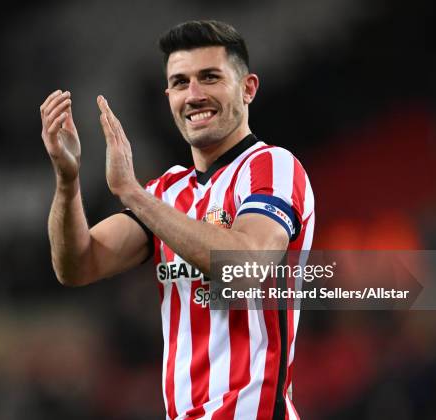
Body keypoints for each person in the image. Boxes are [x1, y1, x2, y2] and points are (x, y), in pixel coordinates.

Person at [39, 20, 314, 420]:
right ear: (168, 95)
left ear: (248, 88)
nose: (194, 95)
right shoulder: (167, 193)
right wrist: (67, 181)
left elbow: (247, 267)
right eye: (180, 83)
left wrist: (132, 193)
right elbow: (77, 266)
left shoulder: (271, 167)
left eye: (210, 78)